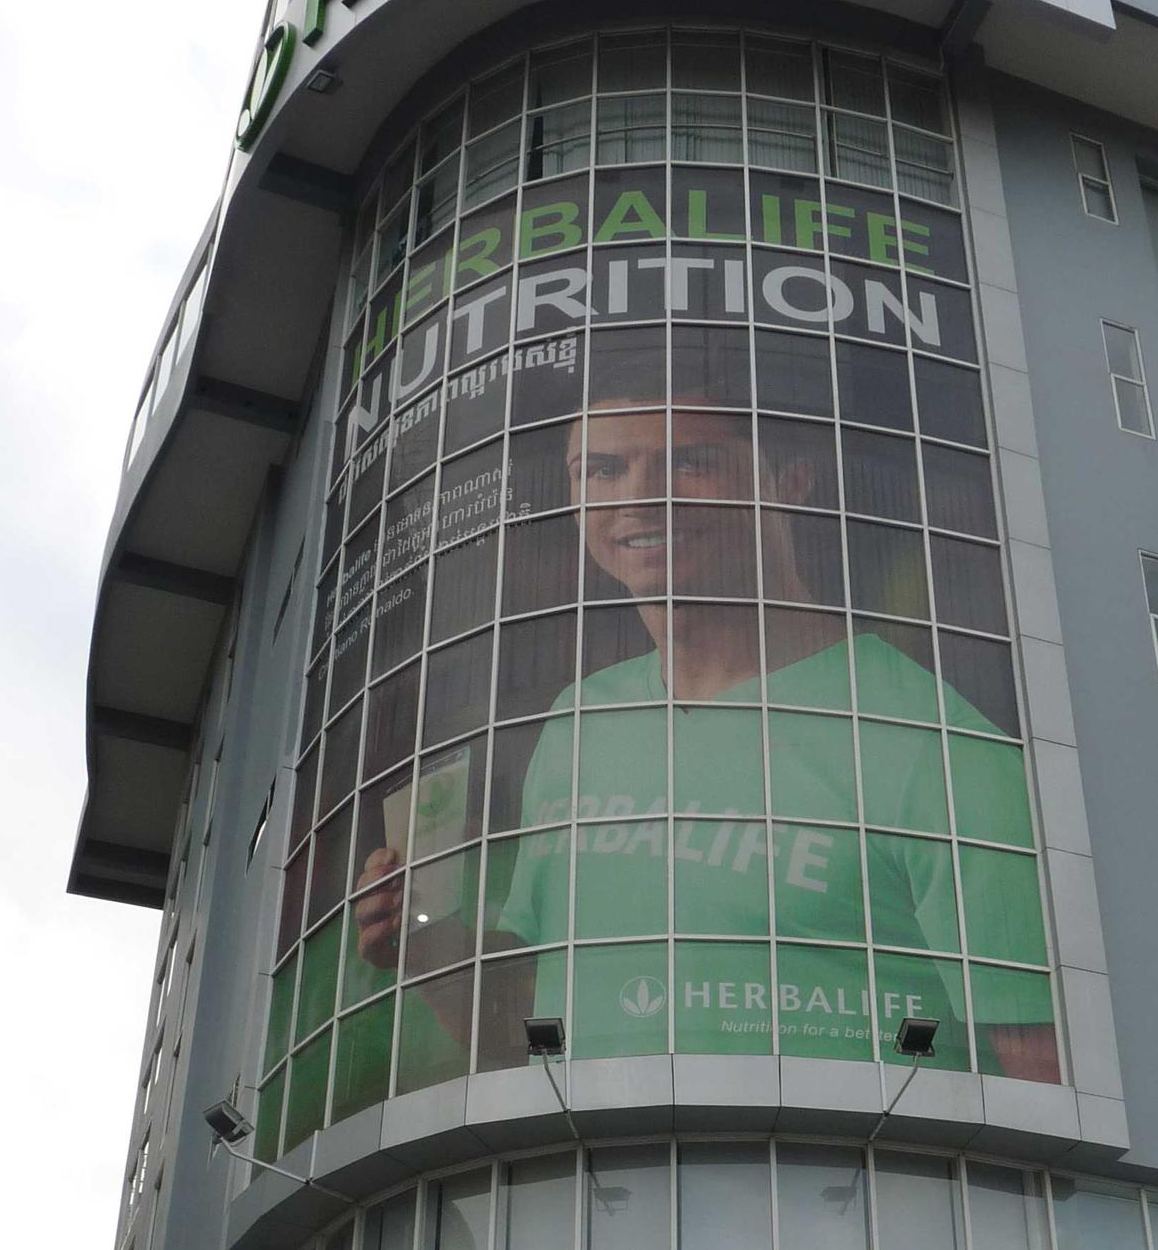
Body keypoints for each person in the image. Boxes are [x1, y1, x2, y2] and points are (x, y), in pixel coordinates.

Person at [353, 324, 1056, 1079]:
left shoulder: (938, 746)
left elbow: (1040, 1076)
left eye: (690, 462)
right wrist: (429, 950)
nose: (640, 498)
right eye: (602, 470)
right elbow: (538, 1031)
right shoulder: (581, 718)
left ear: (791, 480)